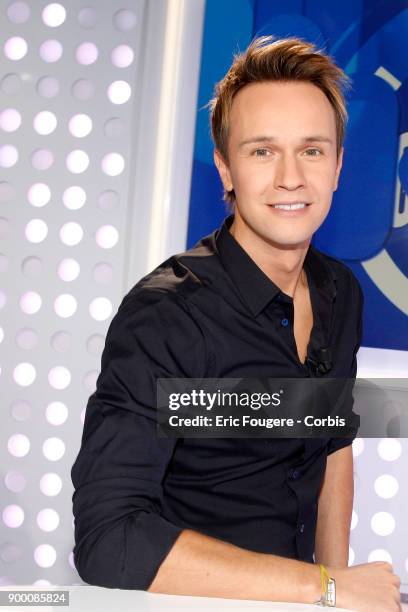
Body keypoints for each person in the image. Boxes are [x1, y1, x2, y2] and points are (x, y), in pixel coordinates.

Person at [71, 36, 401, 611]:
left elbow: (331, 443)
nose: (291, 178)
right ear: (225, 167)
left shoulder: (337, 291)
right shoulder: (165, 315)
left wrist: (335, 589)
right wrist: (323, 589)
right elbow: (108, 538)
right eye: (262, 152)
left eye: (313, 150)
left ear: (340, 164)